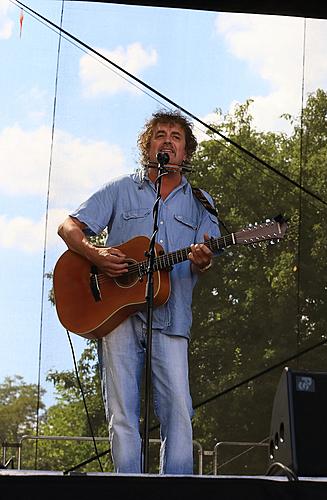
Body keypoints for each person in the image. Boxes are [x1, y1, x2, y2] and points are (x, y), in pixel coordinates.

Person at [57, 110, 220, 474]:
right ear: (148, 147)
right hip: (115, 315)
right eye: (160, 135)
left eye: (176, 136)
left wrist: (202, 259)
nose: (167, 140)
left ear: (186, 152)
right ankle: (127, 486)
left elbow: (203, 259)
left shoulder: (201, 202)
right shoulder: (120, 189)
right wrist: (96, 254)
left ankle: (175, 490)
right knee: (121, 411)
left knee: (178, 408)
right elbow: (68, 226)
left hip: (172, 314)